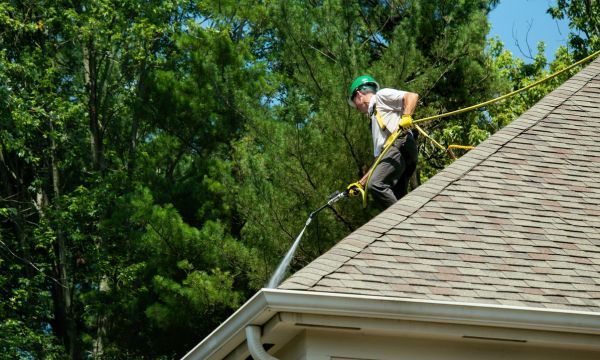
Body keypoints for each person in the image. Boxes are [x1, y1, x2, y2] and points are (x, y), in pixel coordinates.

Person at [347, 75, 419, 210]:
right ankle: (408, 222)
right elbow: (380, 160)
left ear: (359, 95)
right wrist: (361, 183)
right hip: (398, 153)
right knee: (397, 196)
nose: (356, 108)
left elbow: (412, 96)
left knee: (376, 184)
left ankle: (401, 222)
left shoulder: (380, 96)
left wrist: (407, 116)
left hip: (400, 144)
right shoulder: (374, 119)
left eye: (354, 102)